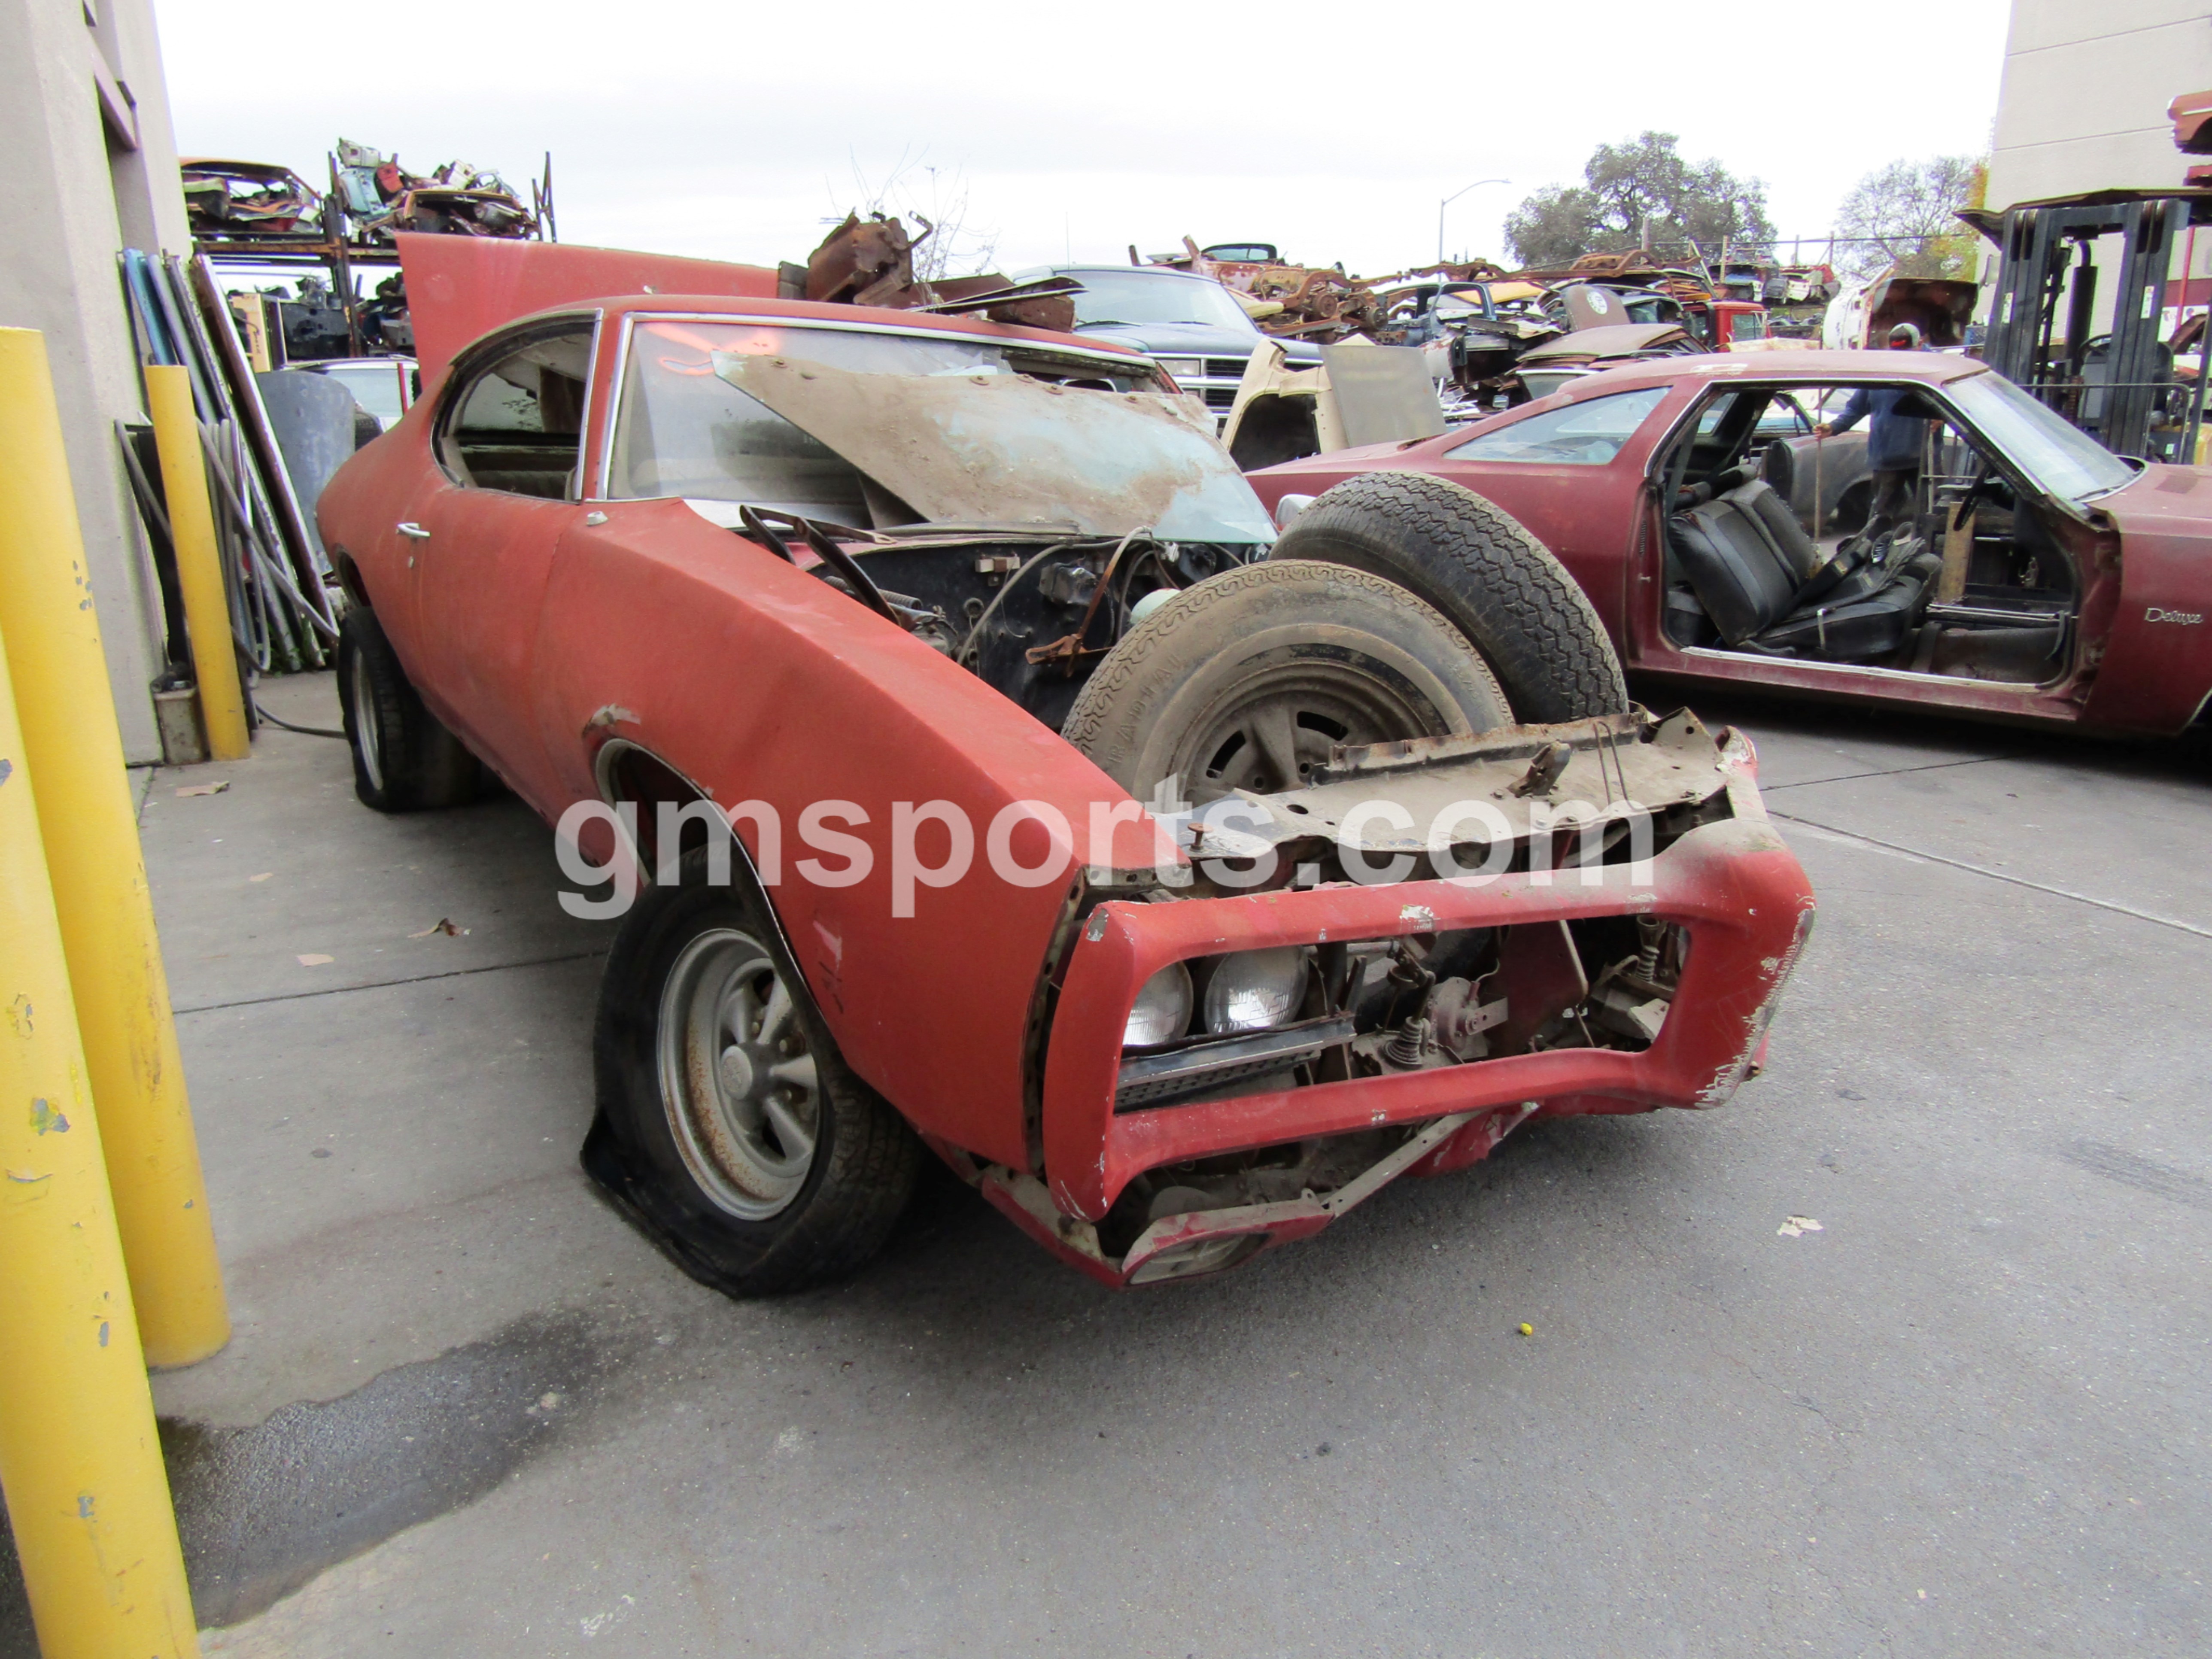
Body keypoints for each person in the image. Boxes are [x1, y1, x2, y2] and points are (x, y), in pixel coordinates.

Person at [1815, 321, 1927, 539]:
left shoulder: (1930, 370)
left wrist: (1941, 418)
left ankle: (1927, 558)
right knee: (1880, 516)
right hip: (1887, 457)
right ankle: (1872, 558)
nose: (1900, 356)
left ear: (1919, 345)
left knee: (1928, 514)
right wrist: (1833, 427)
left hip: (1923, 457)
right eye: (1897, 350)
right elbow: (1856, 408)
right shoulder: (1880, 374)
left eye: (1906, 350)